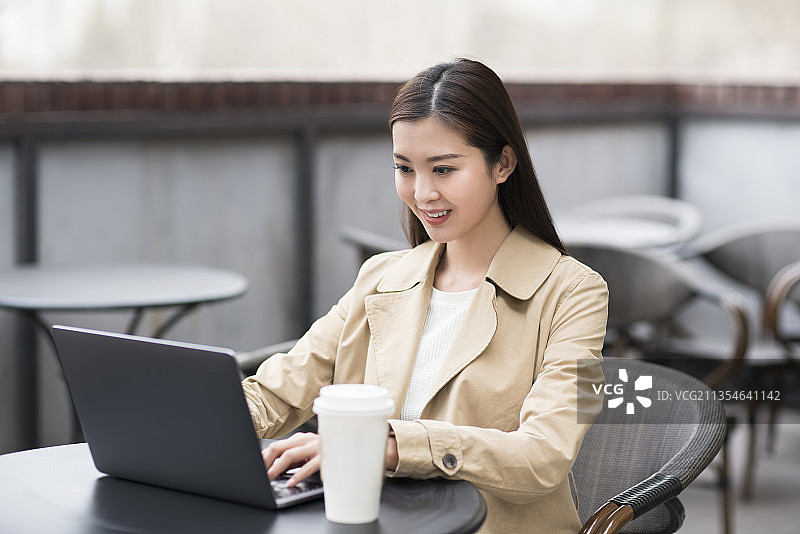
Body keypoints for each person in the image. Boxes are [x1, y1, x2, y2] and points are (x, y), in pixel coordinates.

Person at [242, 58, 608, 533]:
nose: (421, 193)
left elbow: (544, 455)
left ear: (503, 163)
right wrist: (187, 419)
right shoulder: (380, 277)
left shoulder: (577, 294)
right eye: (404, 169)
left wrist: (383, 445)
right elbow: (277, 391)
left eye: (443, 169)